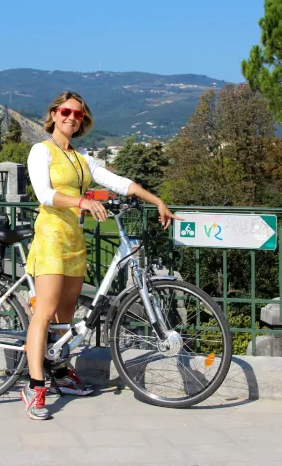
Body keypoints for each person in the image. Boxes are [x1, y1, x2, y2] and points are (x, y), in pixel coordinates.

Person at [22, 91, 180, 420]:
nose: (71, 118)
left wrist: (157, 201)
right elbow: (44, 194)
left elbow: (117, 181)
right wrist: (81, 202)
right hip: (50, 237)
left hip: (74, 239)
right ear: (53, 114)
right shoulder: (41, 151)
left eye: (78, 114)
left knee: (63, 317)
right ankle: (35, 385)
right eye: (65, 111)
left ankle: (61, 373)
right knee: (45, 311)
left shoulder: (82, 160)